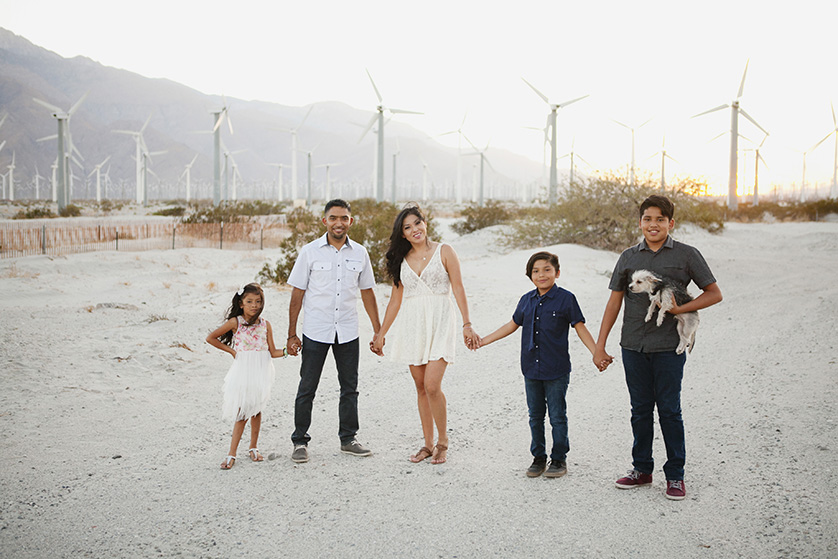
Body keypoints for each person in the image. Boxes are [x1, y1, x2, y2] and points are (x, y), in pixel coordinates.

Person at [593, 195, 723, 501]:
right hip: (633, 344)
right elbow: (614, 301)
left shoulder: (687, 255)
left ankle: (675, 475)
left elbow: (714, 293)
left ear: (671, 223)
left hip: (667, 348)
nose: (654, 225)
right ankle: (642, 470)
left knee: (669, 409)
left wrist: (679, 311)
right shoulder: (627, 257)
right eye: (648, 219)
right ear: (640, 223)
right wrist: (600, 345)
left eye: (660, 219)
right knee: (639, 410)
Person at [371, 205, 480, 465]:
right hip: (414, 324)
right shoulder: (401, 260)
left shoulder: (445, 251)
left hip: (441, 320)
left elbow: (458, 287)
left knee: (432, 385)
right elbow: (395, 300)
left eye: (417, 223)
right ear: (403, 234)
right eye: (407, 227)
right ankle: (427, 444)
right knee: (420, 387)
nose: (414, 229)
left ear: (425, 223)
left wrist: (467, 323)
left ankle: (443, 442)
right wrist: (381, 333)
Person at [479, 251, 597, 478]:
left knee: (557, 416)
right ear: (530, 275)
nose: (541, 274)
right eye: (535, 271)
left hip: (556, 369)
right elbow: (511, 325)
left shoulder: (566, 298)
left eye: (547, 270)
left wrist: (596, 353)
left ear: (557, 273)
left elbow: (580, 327)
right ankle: (538, 457)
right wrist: (484, 341)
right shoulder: (526, 300)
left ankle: (559, 459)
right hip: (531, 368)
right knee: (535, 415)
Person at [286, 199, 381, 463]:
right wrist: (291, 334)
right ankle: (299, 441)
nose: (338, 222)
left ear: (351, 221)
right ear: (324, 221)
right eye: (333, 218)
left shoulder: (360, 253)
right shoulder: (309, 252)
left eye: (344, 218)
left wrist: (378, 331)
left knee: (349, 387)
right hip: (316, 330)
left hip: (348, 330)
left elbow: (368, 293)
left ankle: (348, 438)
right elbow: (297, 295)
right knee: (307, 386)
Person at [206, 283, 287, 470]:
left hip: (262, 370)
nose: (254, 305)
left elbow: (272, 351)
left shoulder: (265, 324)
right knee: (243, 413)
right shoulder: (236, 322)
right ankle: (231, 453)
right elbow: (211, 338)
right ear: (241, 303)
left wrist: (287, 351)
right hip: (244, 371)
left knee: (257, 410)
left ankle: (253, 447)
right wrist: (232, 352)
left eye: (258, 302)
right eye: (249, 301)